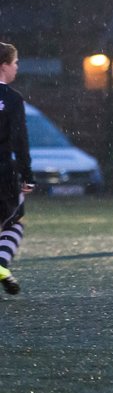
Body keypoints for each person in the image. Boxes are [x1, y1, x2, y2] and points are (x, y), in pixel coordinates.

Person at [0, 42, 34, 295]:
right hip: (3, 171)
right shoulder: (12, 98)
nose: (16, 68)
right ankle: (1, 265)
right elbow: (20, 140)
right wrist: (28, 175)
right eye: (15, 63)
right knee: (15, 220)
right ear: (4, 67)